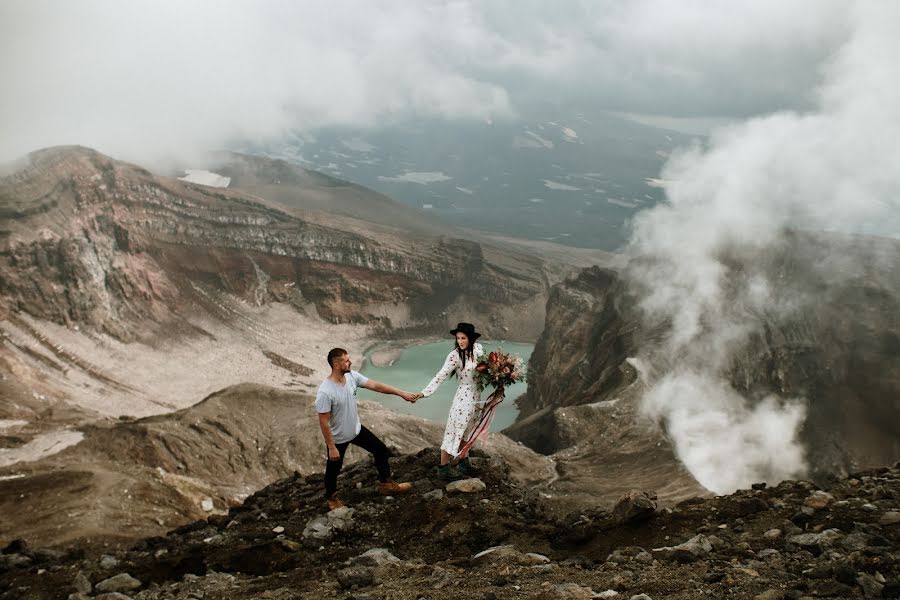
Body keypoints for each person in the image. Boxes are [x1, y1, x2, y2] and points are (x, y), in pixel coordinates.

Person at [316, 347, 416, 510]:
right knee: (333, 469)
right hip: (338, 437)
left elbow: (376, 386)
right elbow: (323, 422)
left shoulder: (352, 377)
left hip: (356, 430)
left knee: (381, 450)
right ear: (336, 364)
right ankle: (332, 498)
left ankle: (386, 484)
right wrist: (332, 447)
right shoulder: (325, 392)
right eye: (347, 360)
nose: (350, 362)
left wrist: (401, 393)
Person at [414, 322, 486, 481]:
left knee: (467, 431)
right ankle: (444, 469)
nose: (460, 341)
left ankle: (463, 462)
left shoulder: (479, 351)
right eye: (458, 338)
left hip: (476, 397)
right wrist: (424, 392)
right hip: (463, 397)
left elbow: (487, 373)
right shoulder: (455, 355)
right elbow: (441, 375)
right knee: (454, 430)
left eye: (463, 338)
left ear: (471, 339)